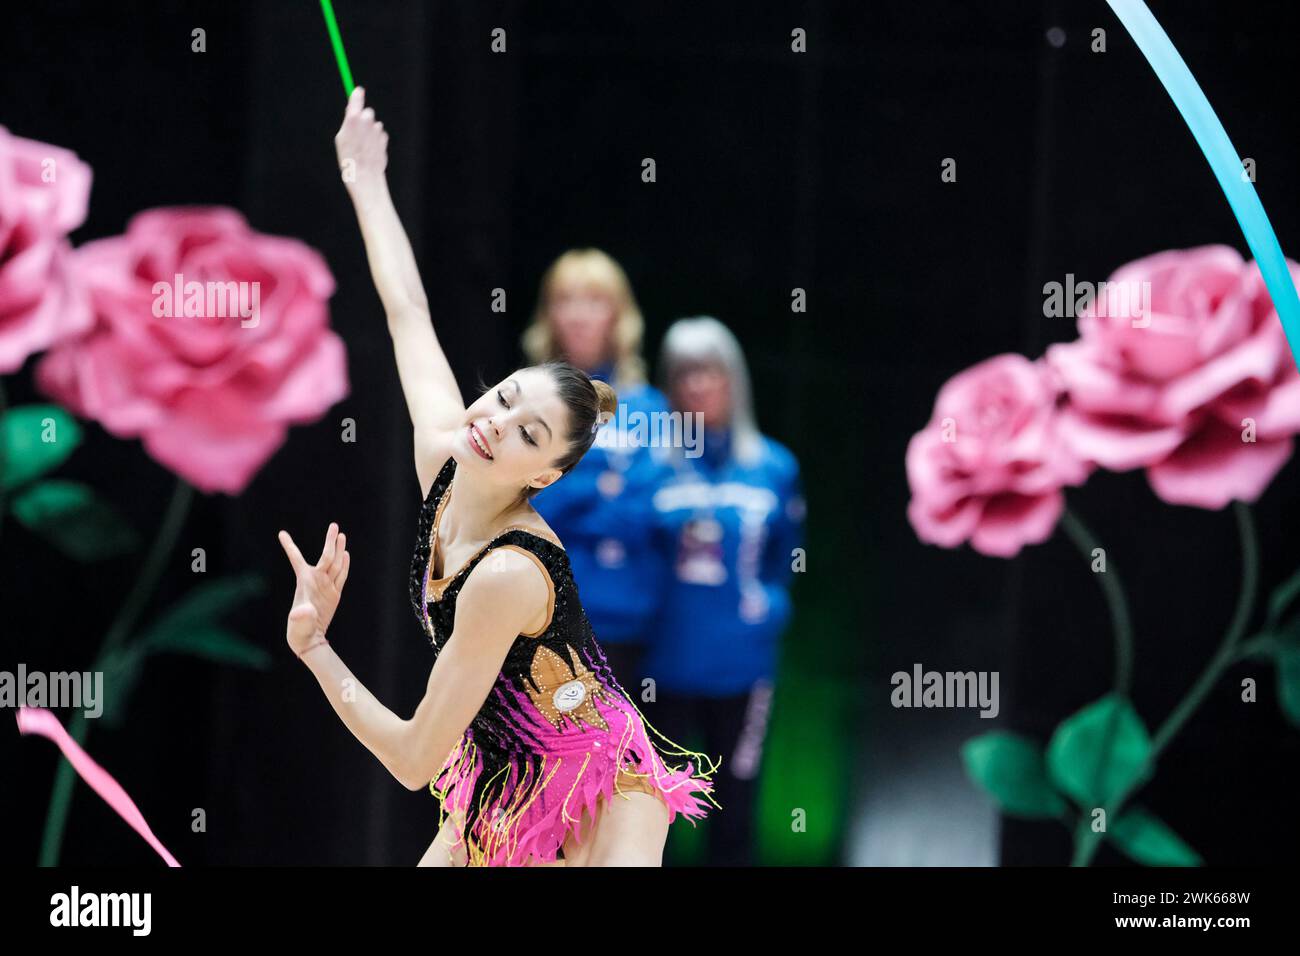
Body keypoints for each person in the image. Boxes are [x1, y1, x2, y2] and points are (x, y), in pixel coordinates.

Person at [276, 87, 718, 867]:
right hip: (505, 775)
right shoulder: (446, 454)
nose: (494, 421)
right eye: (505, 396)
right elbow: (407, 309)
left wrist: (315, 649)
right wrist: (365, 180)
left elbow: (415, 759)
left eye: (527, 433)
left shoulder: (508, 575)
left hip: (600, 788)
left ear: (545, 474)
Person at [641, 316, 806, 866]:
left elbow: (788, 558)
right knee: (648, 818)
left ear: (734, 379)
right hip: (661, 668)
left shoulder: (774, 468)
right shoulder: (650, 468)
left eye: (709, 371)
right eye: (684, 373)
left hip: (742, 669)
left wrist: (768, 609)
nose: (697, 385)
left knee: (733, 814)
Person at [521, 249, 674, 687]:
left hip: (624, 625)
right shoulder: (523, 401)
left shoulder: (648, 407)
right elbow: (523, 505)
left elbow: (649, 515)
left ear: (619, 316)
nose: (577, 316)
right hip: (537, 616)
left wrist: (564, 478)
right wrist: (602, 484)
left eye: (593, 301)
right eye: (564, 300)